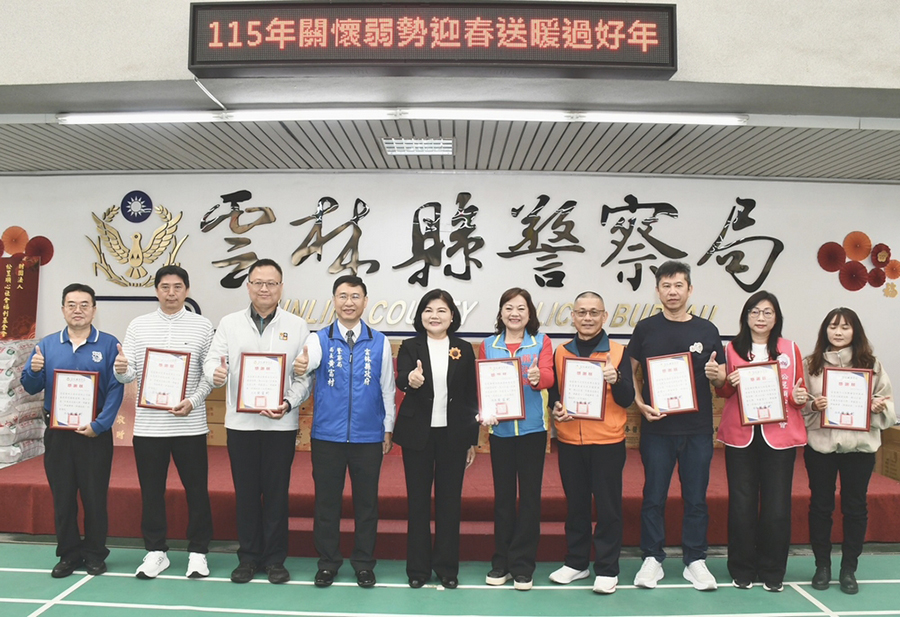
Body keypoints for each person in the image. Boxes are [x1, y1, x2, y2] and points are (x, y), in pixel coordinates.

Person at [203, 258, 311, 584]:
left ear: (281, 287)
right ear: (248, 286)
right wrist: (215, 373)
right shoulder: (229, 323)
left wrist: (288, 402)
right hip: (241, 425)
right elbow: (213, 360)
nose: (265, 289)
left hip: (280, 424)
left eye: (271, 283)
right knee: (246, 494)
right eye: (258, 282)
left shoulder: (297, 326)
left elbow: (304, 377)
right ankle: (248, 557)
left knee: (277, 495)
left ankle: (275, 560)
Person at [627, 260, 725, 592]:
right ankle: (652, 558)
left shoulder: (707, 330)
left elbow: (722, 377)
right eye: (666, 286)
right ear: (657, 291)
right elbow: (630, 370)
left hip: (697, 430)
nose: (672, 292)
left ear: (689, 289)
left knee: (696, 498)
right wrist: (639, 402)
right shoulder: (646, 329)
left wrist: (717, 375)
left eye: (678, 285)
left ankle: (695, 560)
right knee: (653, 496)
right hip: (657, 430)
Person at [293, 275, 396, 589]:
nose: (348, 302)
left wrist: (388, 428)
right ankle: (328, 563)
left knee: (367, 505)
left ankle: (364, 564)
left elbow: (388, 389)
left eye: (355, 296)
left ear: (365, 301)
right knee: (326, 504)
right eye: (342, 296)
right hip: (328, 436)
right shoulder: (319, 339)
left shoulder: (379, 341)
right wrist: (302, 365)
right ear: (334, 300)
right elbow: (308, 362)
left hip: (368, 437)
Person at [114, 265, 215, 580]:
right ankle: (156, 551)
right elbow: (129, 373)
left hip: (190, 425)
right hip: (149, 427)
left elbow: (210, 376)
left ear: (187, 290)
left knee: (197, 491)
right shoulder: (138, 325)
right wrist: (120, 370)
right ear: (156, 290)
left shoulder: (202, 326)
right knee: (151, 492)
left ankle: (198, 552)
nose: (171, 293)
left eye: (178, 287)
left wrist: (193, 401)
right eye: (165, 287)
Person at [21, 283, 124, 578]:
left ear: (94, 309)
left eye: (84, 305)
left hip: (94, 433)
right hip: (59, 434)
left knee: (94, 497)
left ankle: (94, 554)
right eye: (71, 305)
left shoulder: (109, 345)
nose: (78, 310)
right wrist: (34, 370)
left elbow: (116, 388)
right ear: (63, 309)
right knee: (63, 498)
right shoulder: (47, 345)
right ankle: (68, 554)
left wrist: (99, 425)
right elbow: (30, 387)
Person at [715, 291, 807, 592]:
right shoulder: (731, 349)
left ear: (776, 317)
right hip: (741, 437)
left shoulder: (789, 349)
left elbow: (798, 394)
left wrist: (799, 397)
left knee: (777, 506)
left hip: (779, 436)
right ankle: (742, 568)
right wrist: (726, 382)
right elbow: (723, 392)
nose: (761, 318)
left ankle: (772, 570)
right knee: (741, 505)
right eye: (754, 312)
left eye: (767, 312)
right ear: (746, 317)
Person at [800, 307, 895, 595]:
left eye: (845, 327)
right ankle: (822, 566)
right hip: (821, 448)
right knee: (820, 506)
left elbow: (888, 405)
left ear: (856, 331)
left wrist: (877, 407)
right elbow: (797, 405)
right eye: (833, 326)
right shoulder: (811, 364)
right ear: (825, 330)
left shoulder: (871, 365)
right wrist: (813, 405)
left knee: (855, 507)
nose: (838, 332)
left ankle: (849, 569)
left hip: (859, 449)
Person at [548, 291, 634, 595]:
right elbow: (555, 394)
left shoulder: (619, 352)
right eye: (581, 312)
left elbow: (627, 399)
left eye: (594, 312)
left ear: (604, 316)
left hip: (607, 442)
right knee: (576, 505)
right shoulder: (561, 352)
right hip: (570, 441)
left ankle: (608, 569)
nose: (587, 318)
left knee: (609, 508)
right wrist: (556, 408)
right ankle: (576, 563)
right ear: (572, 316)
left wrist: (616, 379)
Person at [393, 289, 479, 589]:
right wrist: (410, 380)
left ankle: (446, 568)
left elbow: (470, 395)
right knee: (417, 503)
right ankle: (417, 569)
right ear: (421, 316)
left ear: (452, 316)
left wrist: (471, 439)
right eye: (428, 310)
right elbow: (402, 377)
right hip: (418, 434)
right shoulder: (410, 346)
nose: (434, 316)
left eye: (441, 310)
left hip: (453, 436)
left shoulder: (463, 348)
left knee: (449, 503)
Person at [478, 287, 554, 591]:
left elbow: (548, 375)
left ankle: (523, 565)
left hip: (533, 430)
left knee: (530, 499)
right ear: (501, 312)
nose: (515, 313)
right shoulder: (488, 345)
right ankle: (502, 563)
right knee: (504, 499)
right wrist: (485, 413)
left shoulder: (541, 342)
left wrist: (538, 378)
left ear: (530, 313)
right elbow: (482, 386)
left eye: (521, 308)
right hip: (501, 433)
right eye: (509, 307)